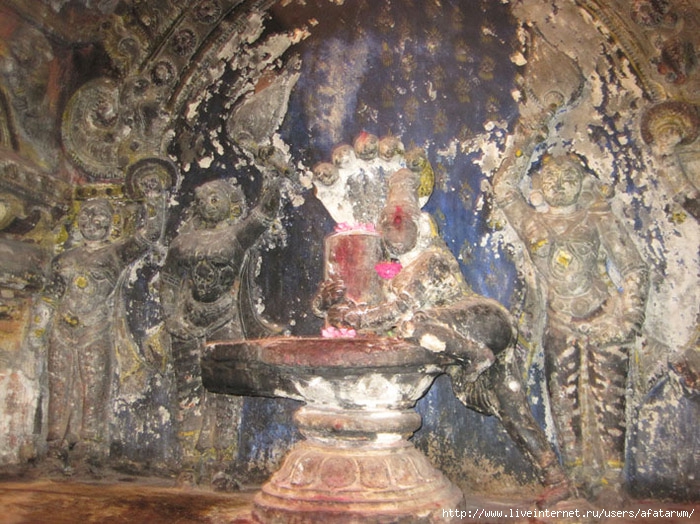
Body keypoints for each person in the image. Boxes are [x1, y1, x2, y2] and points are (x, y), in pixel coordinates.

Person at [315, 168, 574, 508]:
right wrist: (328, 303)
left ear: (420, 226)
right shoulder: (391, 276)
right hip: (462, 338)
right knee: (510, 405)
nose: (393, 231)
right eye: (387, 225)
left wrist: (358, 317)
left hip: (483, 322)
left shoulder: (432, 260)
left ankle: (476, 356)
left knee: (412, 324)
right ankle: (555, 478)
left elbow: (396, 312)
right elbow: (367, 312)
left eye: (401, 223)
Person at [492, 115, 649, 503]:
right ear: (539, 185)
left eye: (568, 177)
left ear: (583, 183)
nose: (559, 184)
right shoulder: (533, 222)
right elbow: (504, 189)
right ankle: (577, 478)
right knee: (564, 401)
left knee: (609, 401)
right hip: (559, 322)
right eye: (551, 178)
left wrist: (628, 319)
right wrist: (527, 138)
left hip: (603, 316)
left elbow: (633, 267)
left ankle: (611, 480)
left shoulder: (595, 216)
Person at [44, 159, 170, 469]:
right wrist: (39, 326)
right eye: (86, 213)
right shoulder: (64, 258)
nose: (91, 219)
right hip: (62, 327)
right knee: (59, 387)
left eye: (99, 214)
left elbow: (148, 236)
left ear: (112, 222)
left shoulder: (114, 253)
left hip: (95, 328)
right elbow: (51, 294)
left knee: (94, 387)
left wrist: (155, 199)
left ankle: (90, 446)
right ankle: (55, 445)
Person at [159, 174, 283, 488]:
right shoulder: (183, 242)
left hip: (225, 319)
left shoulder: (235, 235)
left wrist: (274, 178)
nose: (207, 203)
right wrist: (171, 317)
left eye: (215, 198)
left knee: (227, 392)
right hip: (188, 322)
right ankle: (189, 461)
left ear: (230, 203)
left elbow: (263, 215)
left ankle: (223, 462)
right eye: (202, 199)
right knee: (188, 391)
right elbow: (169, 280)